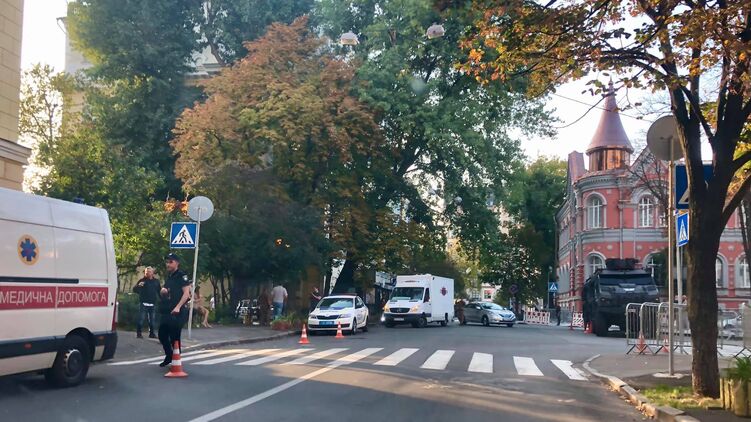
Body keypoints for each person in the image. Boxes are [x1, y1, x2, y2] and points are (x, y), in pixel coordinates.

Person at [158, 253, 191, 367]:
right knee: (162, 334)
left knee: (174, 336)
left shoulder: (181, 275)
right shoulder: (170, 276)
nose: (168, 264)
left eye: (170, 262)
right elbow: (167, 290)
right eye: (167, 262)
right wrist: (163, 291)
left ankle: (176, 361)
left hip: (178, 311)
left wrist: (178, 307)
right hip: (168, 310)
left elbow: (186, 293)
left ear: (177, 263)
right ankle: (169, 355)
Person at [133, 267, 161, 339]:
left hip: (152, 303)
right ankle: (139, 333)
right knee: (141, 319)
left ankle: (151, 333)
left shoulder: (156, 281)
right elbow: (134, 290)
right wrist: (138, 286)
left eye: (149, 271)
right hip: (143, 303)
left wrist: (162, 299)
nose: (147, 273)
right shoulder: (142, 281)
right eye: (146, 272)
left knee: (152, 320)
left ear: (152, 273)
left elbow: (159, 291)